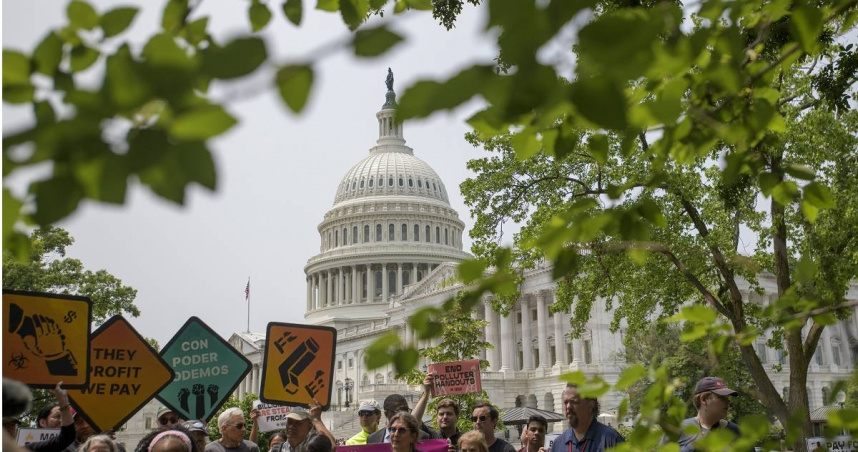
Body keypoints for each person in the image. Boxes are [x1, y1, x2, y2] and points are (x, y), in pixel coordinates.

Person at [671, 377, 740, 452]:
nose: (728, 402)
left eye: (727, 398)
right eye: (722, 398)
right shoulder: (677, 429)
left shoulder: (737, 432)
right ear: (704, 399)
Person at [549, 385, 624, 452]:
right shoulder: (558, 444)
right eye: (566, 402)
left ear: (591, 404)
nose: (568, 407)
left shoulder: (611, 440)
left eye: (574, 402)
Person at [411, 375, 463, 447]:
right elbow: (412, 421)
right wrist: (427, 392)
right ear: (436, 417)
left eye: (449, 414)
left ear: (457, 417)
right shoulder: (431, 436)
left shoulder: (465, 439)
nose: (444, 417)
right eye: (441, 414)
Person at [27, 382, 77, 452]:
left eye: (64, 417)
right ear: (42, 422)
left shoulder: (76, 445)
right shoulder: (30, 447)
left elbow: (67, 435)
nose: (61, 421)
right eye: (57, 416)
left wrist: (63, 401)